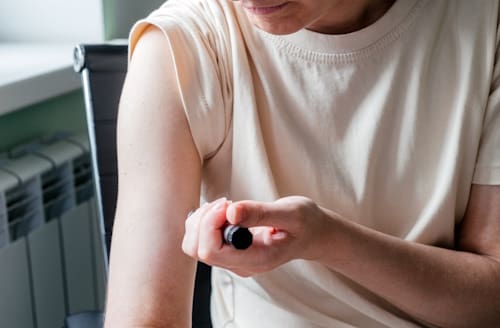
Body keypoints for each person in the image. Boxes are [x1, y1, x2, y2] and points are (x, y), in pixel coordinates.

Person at [104, 0, 500, 327]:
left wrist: (325, 238)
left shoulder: (483, 21)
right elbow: (144, 319)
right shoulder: (182, 48)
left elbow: (490, 302)